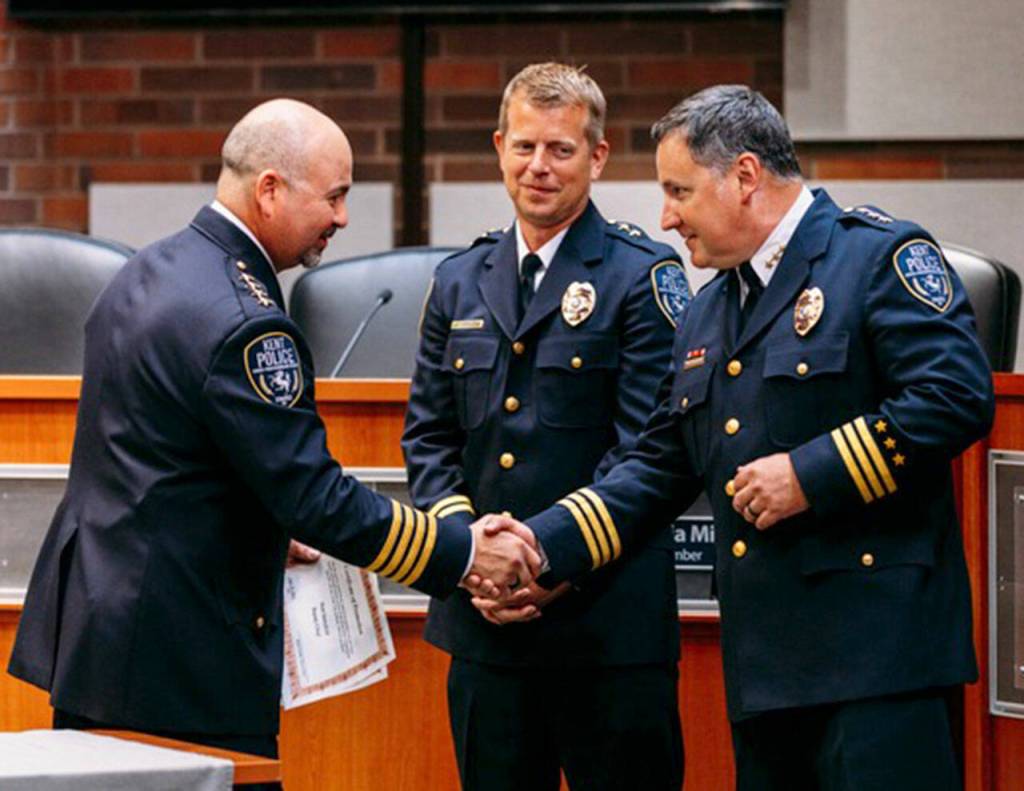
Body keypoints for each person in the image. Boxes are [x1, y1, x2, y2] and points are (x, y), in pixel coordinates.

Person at [480, 84, 994, 790]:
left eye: (679, 191)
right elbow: (656, 466)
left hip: (879, 668)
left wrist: (809, 474)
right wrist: (539, 544)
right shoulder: (708, 311)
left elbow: (955, 396)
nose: (666, 217)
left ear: (745, 176)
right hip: (766, 675)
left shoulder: (875, 258)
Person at [8, 98, 538, 776]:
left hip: (104, 634)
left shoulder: (152, 267)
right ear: (269, 190)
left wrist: (251, 525)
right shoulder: (246, 322)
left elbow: (160, 451)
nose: (342, 218)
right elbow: (317, 498)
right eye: (334, 196)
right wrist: (463, 553)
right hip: (183, 658)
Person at [402, 63, 690, 791]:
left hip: (607, 631)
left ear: (598, 156)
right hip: (486, 631)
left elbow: (653, 452)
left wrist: (547, 557)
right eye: (525, 146)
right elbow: (429, 438)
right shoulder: (459, 279)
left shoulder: (642, 275)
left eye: (561, 149)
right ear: (499, 147)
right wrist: (470, 553)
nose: (540, 166)